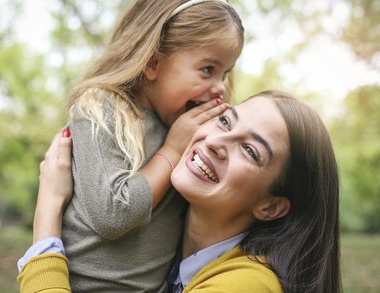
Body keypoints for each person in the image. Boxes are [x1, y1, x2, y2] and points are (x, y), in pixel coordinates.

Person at [18, 0, 244, 292]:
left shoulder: (188, 130)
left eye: (224, 73)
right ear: (153, 63)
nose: (220, 87)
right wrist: (172, 151)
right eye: (207, 69)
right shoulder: (101, 108)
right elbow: (113, 214)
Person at [18, 90, 342, 293]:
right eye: (226, 122)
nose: (214, 141)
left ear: (271, 207)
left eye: (250, 151)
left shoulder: (248, 285)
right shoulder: (171, 260)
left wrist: (47, 214)